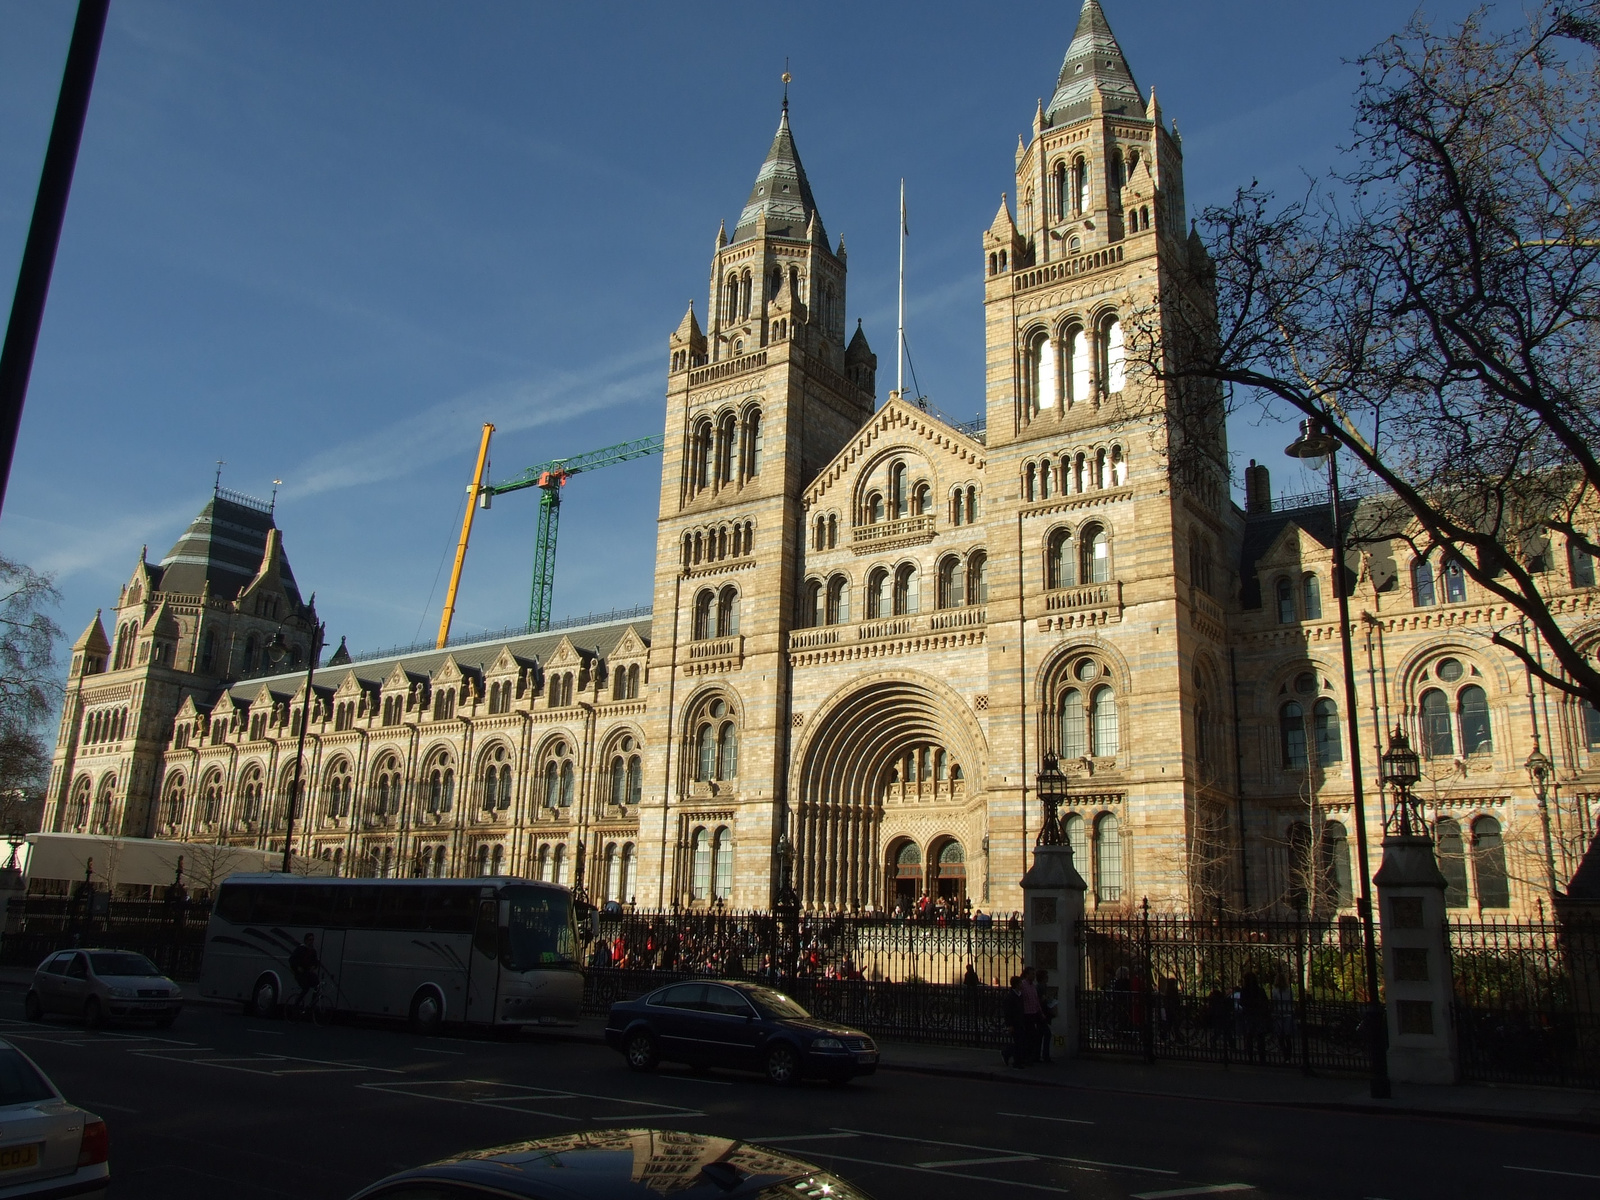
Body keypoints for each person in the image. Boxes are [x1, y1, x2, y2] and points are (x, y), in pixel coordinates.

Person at [1240, 972, 1270, 1063]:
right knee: (1260, 1037)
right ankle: (1262, 1057)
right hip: (1259, 1015)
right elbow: (1266, 1002)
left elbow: (1242, 1002)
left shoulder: (1244, 991)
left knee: (1249, 1037)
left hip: (1249, 1015)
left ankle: (1250, 1057)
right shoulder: (1260, 990)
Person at [289, 933, 320, 1012]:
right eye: (310, 940)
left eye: (312, 939)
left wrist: (314, 966)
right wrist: (298, 967)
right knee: (306, 988)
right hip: (300, 974)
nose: (311, 941)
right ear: (306, 940)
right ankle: (296, 1004)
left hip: (307, 972)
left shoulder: (313, 951)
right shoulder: (300, 949)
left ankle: (312, 1003)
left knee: (318, 984)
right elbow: (292, 959)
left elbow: (316, 962)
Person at [1001, 975, 1028, 1068]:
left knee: (1021, 1042)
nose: (1022, 985)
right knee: (1018, 1042)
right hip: (1014, 1023)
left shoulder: (1019, 995)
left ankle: (1013, 1056)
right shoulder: (1010, 997)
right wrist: (1009, 1025)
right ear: (1016, 984)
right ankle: (1015, 1060)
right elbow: (1007, 1012)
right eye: (1020, 983)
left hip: (1020, 1022)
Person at [1271, 971, 1297, 1062]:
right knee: (1287, 1036)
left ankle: (1284, 1052)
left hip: (1279, 1013)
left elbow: (1274, 1002)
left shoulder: (1275, 990)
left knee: (1280, 1035)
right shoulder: (1289, 990)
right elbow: (1292, 1000)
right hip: (1288, 1013)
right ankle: (1288, 1055)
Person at [1036, 968, 1058, 1063]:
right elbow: (1041, 1001)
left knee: (1040, 1035)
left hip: (1042, 1014)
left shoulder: (1041, 986)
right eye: (1046, 976)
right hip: (1042, 1014)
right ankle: (1045, 1056)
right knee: (1047, 1034)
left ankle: (1037, 1055)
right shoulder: (1041, 987)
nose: (1048, 977)